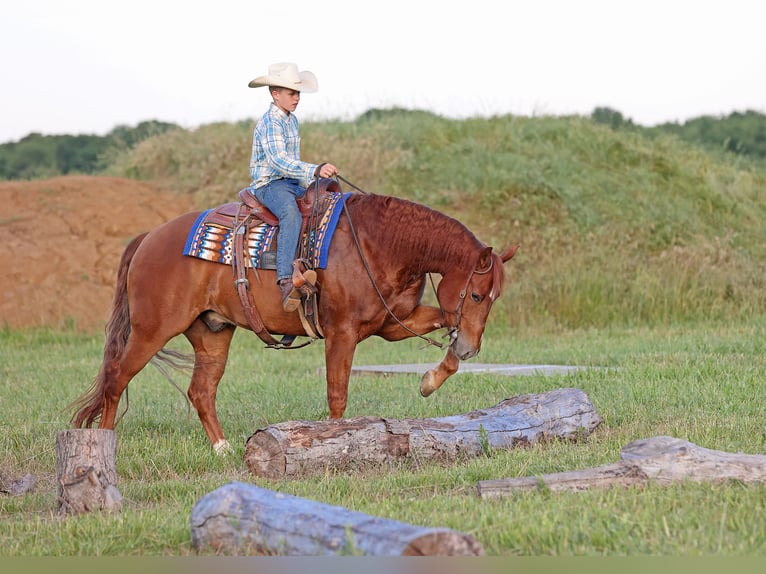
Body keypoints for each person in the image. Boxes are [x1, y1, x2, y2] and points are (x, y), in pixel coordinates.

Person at [247, 62, 338, 312]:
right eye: (291, 93)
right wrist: (315, 170)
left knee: (325, 205)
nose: (296, 98)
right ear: (275, 94)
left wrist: (314, 183)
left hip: (290, 182)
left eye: (297, 93)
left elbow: (292, 161)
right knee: (290, 213)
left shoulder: (291, 120)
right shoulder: (270, 122)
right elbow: (279, 161)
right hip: (270, 184)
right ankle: (286, 279)